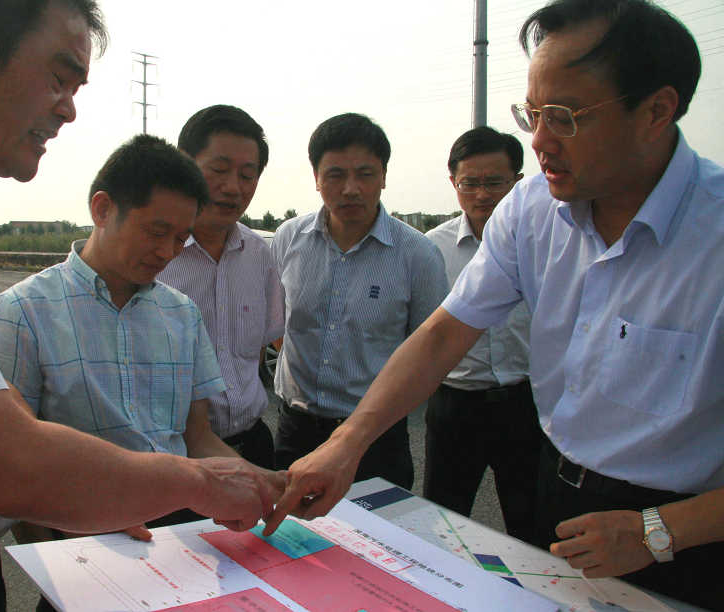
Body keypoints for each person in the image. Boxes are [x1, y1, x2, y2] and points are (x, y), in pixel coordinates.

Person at [265, 1, 724, 608]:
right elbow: (442, 335)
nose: (539, 143)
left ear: (656, 111)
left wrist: (659, 531)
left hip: (688, 529)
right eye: (532, 114)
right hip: (559, 491)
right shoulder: (532, 210)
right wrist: (346, 444)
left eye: (563, 117)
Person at [0, 3, 282, 609]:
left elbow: (192, 433)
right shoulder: (27, 307)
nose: (68, 109)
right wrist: (196, 483)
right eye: (59, 78)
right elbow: (13, 462)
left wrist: (234, 478)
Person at [271, 112, 448, 489]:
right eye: (335, 175)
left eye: (365, 174)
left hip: (375, 438)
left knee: (377, 526)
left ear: (384, 176)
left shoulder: (418, 255)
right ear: (316, 178)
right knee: (290, 524)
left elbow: (428, 355)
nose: (350, 189)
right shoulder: (289, 239)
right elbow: (275, 324)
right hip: (296, 431)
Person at [424, 127, 541, 545]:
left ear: (518, 182)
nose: (481, 194)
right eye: (469, 183)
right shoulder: (431, 249)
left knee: (532, 527)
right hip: (455, 405)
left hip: (524, 403)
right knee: (441, 522)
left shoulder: (543, 242)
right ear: (453, 182)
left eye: (495, 182)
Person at [158, 105, 284, 470]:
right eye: (219, 169)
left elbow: (255, 353)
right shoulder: (153, 257)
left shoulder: (259, 255)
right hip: (173, 457)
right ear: (183, 163)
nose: (233, 188)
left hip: (253, 442)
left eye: (247, 175)